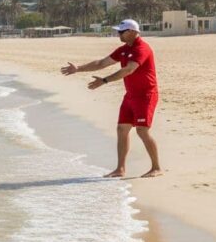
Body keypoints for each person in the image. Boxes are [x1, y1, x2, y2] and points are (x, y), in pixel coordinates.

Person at [60, 19, 162, 178]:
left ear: (133, 32)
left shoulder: (142, 48)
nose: (118, 34)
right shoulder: (123, 50)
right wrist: (78, 69)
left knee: (142, 131)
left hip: (145, 96)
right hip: (130, 96)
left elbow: (128, 70)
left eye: (121, 31)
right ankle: (120, 169)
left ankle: (156, 168)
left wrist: (104, 81)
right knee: (122, 130)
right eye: (119, 31)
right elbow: (101, 63)